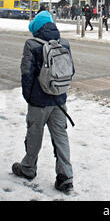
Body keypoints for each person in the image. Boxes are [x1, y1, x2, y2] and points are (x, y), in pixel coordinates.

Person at [11, 10, 74, 194]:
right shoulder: (64, 43)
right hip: (59, 102)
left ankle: (28, 168)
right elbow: (71, 71)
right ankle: (66, 177)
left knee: (34, 135)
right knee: (61, 138)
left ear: (37, 28)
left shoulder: (32, 44)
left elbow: (27, 74)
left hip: (39, 103)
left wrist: (29, 97)